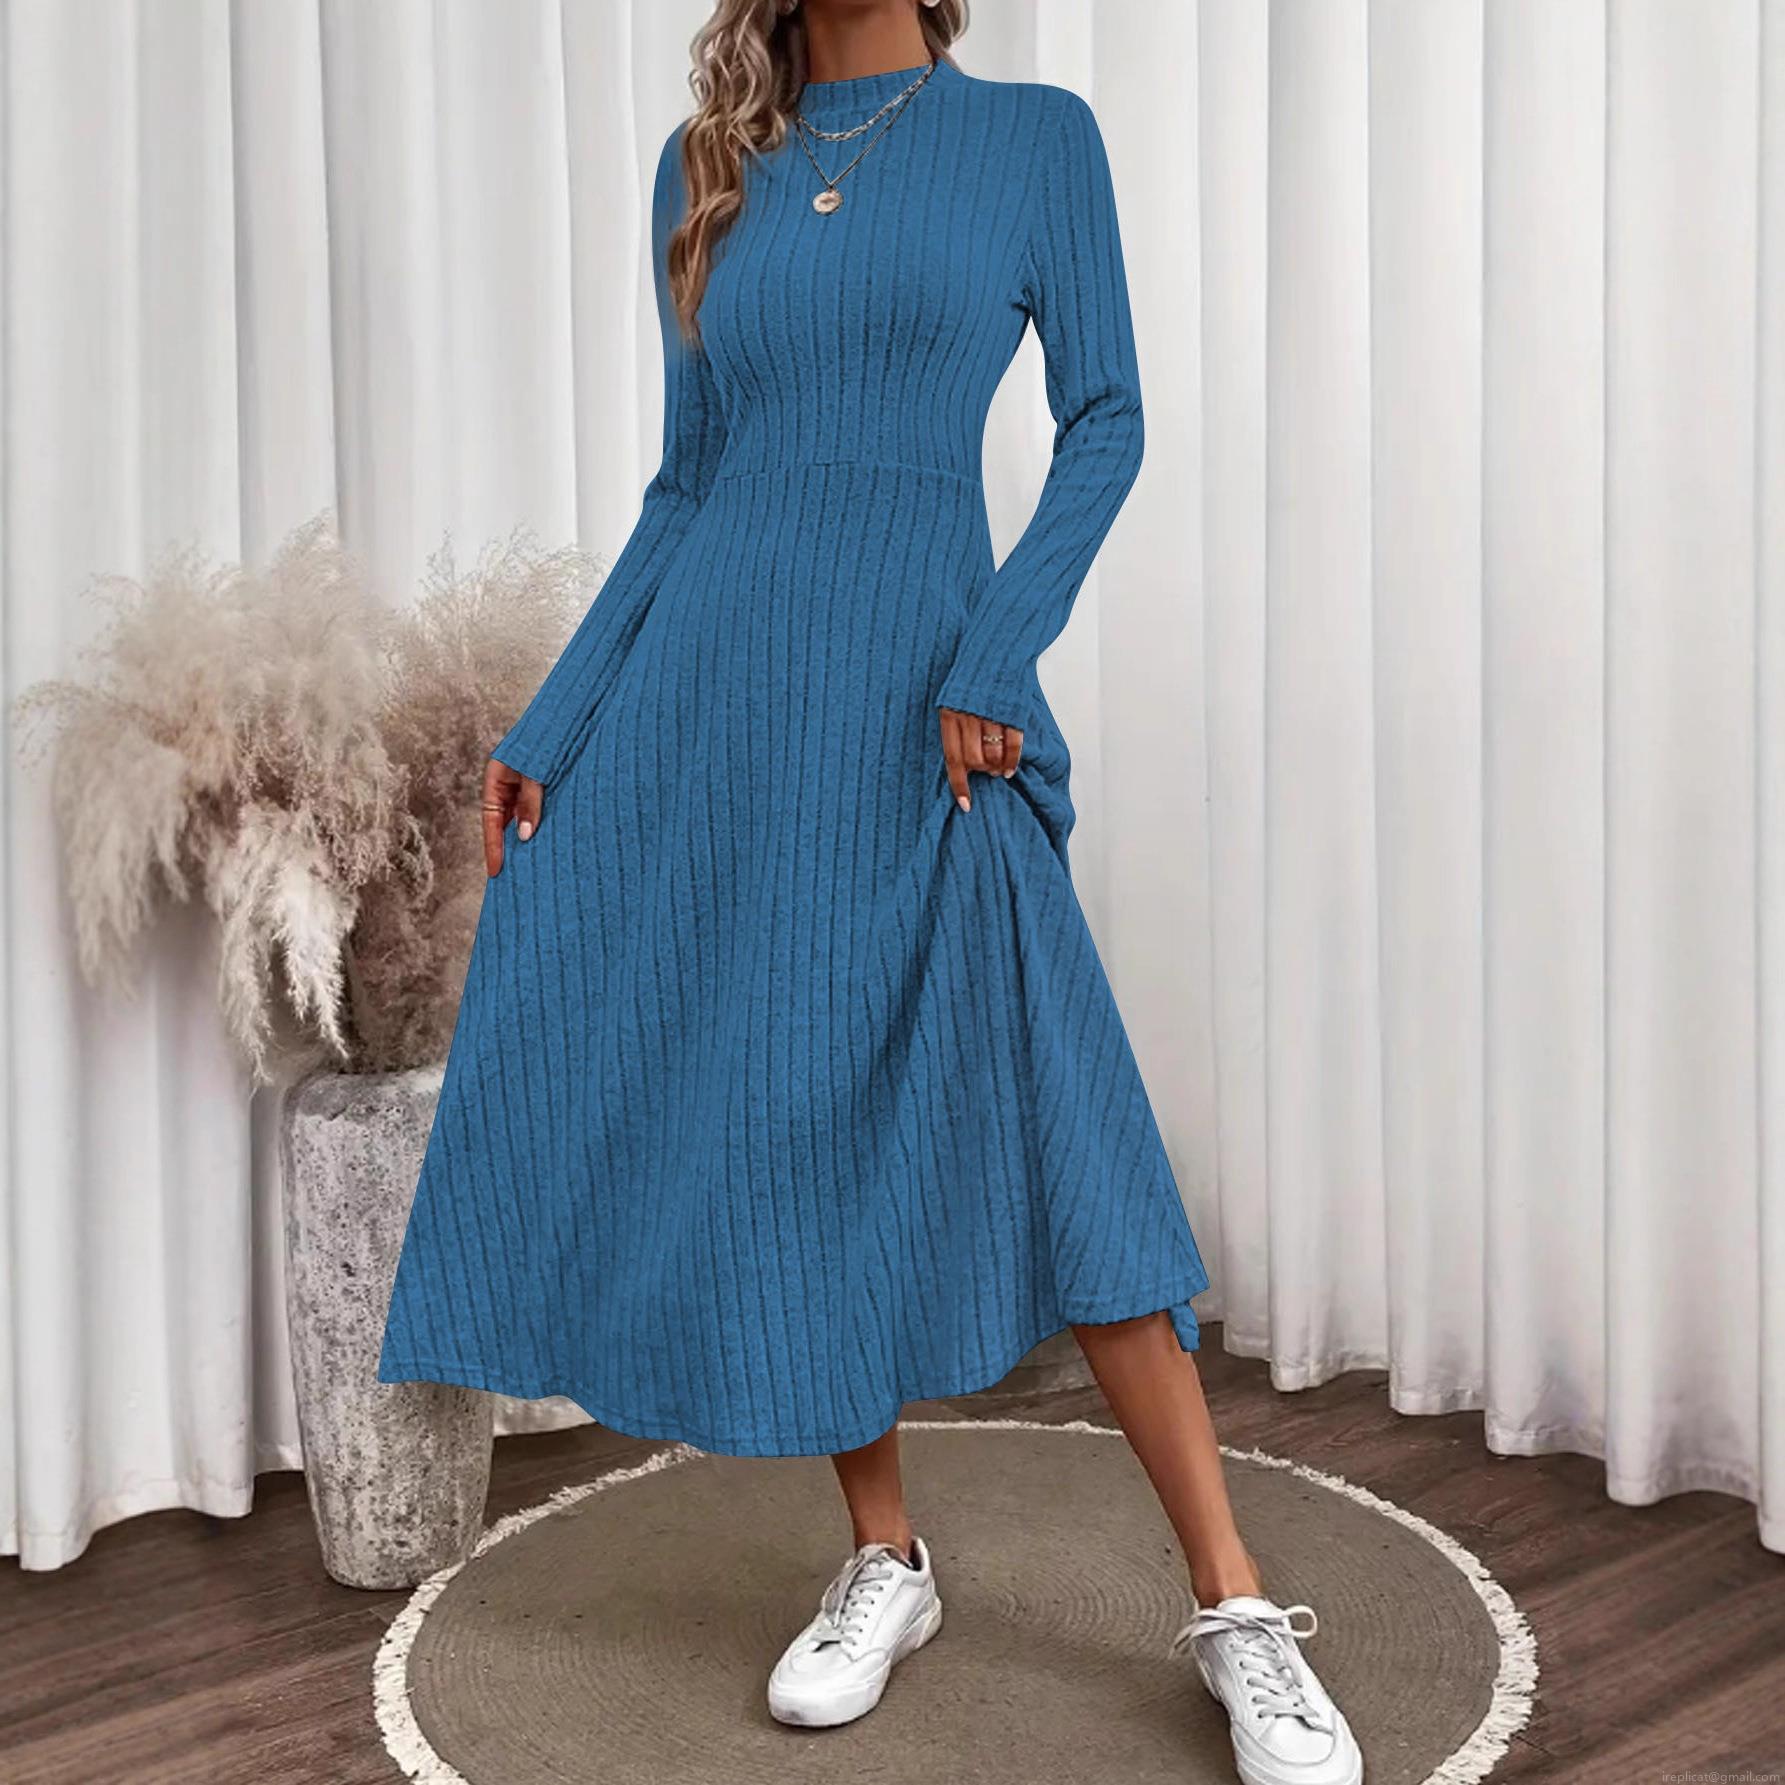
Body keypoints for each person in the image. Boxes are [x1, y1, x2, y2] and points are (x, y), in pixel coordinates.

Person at [377, 2, 1362, 1780]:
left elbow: (1107, 418)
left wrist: (996, 647)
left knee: (1066, 1119)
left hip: (923, 706)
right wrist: (559, 715)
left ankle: (1231, 1599)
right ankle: (883, 1556)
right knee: (784, 1115)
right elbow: (686, 485)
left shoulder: (1033, 141)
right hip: (715, 709)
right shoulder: (707, 165)